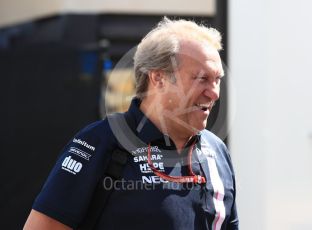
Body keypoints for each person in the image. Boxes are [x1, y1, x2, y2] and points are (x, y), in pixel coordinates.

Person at [24, 17, 239, 230]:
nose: (214, 93)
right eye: (201, 78)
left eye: (217, 79)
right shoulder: (99, 143)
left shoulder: (216, 151)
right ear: (158, 78)